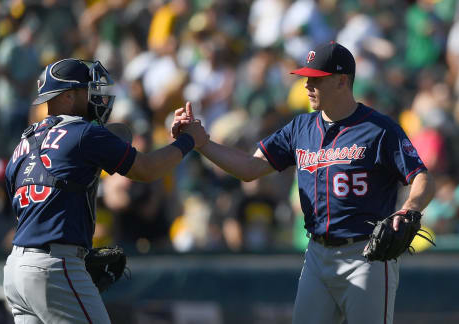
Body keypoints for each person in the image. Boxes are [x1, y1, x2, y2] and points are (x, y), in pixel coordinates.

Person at [172, 41, 436, 324]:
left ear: (342, 81)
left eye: (316, 79)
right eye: (306, 78)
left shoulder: (379, 129)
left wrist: (410, 208)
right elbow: (250, 168)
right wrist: (201, 143)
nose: (307, 85)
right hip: (317, 255)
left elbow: (422, 177)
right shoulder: (300, 128)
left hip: (366, 255)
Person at [3, 58, 208, 323]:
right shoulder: (83, 133)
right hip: (55, 266)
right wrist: (188, 141)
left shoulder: (22, 145)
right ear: (67, 96)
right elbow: (145, 169)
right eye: (88, 90)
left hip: (16, 270)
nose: (97, 97)